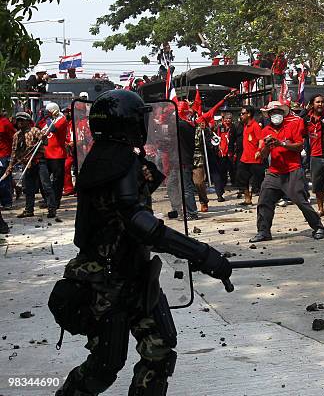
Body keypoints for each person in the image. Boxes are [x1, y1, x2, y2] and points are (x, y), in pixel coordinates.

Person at [49, 90, 231, 396]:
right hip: (107, 281)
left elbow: (135, 197)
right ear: (127, 122)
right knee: (105, 365)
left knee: (158, 353)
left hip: (134, 273)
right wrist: (202, 254)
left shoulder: (115, 156)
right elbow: (140, 224)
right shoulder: (113, 160)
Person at [250, 101, 324, 243]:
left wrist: (281, 143)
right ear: (269, 115)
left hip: (293, 170)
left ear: (283, 114)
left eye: (278, 112)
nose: (276, 115)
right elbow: (263, 154)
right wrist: (266, 146)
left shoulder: (292, 126)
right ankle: (263, 231)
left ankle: (318, 227)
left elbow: (299, 146)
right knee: (264, 201)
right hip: (274, 171)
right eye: (273, 112)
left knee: (300, 200)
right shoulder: (265, 131)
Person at [4, 112, 56, 218]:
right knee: (29, 188)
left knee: (46, 186)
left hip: (39, 162)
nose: (20, 123)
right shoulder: (16, 136)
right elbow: (14, 152)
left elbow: (45, 142)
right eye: (18, 120)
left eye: (22, 120)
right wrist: (10, 166)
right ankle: (29, 210)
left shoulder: (35, 131)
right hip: (27, 164)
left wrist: (43, 138)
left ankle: (52, 209)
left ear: (28, 122)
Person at [193, 91, 235, 212]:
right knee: (199, 179)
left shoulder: (202, 118)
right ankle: (204, 198)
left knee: (215, 172)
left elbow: (215, 108)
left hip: (207, 150)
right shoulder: (184, 122)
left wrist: (224, 99)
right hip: (194, 154)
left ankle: (219, 194)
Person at [167, 101, 199, 220]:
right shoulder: (183, 124)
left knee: (186, 188)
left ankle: (192, 212)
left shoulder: (184, 125)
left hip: (184, 160)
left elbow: (171, 126)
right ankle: (177, 209)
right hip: (176, 160)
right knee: (171, 184)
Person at [42, 102, 69, 211]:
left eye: (48, 112)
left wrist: (47, 118)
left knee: (57, 181)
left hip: (57, 155)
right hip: (46, 154)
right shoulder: (49, 121)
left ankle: (55, 202)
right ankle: (48, 200)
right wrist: (41, 118)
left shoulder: (62, 120)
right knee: (43, 180)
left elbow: (53, 129)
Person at [236, 105, 264, 206]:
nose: (241, 115)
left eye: (243, 113)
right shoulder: (244, 125)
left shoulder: (255, 125)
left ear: (249, 114)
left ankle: (262, 200)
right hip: (245, 158)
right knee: (242, 178)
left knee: (257, 181)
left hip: (255, 159)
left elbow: (261, 139)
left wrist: (259, 150)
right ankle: (247, 199)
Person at [0, 110, 16, 208]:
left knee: (4, 180)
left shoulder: (5, 123)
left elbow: (14, 137)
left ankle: (7, 202)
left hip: (4, 155)